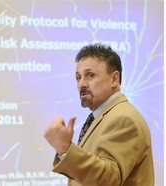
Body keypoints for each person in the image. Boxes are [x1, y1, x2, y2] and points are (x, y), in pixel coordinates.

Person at [44, 43, 154, 186]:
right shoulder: (105, 115)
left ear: (114, 79)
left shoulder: (123, 118)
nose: (81, 84)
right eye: (78, 77)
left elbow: (109, 180)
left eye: (90, 75)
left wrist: (65, 150)